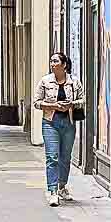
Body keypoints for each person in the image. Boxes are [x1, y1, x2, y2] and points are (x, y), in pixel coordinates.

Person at [33, 51, 85, 206]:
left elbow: (83, 100)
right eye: (51, 61)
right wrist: (53, 106)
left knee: (65, 158)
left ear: (64, 65)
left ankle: (62, 186)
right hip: (50, 123)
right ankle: (53, 191)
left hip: (68, 123)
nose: (52, 63)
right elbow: (36, 102)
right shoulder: (45, 81)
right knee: (52, 157)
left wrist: (71, 104)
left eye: (55, 61)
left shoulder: (74, 82)